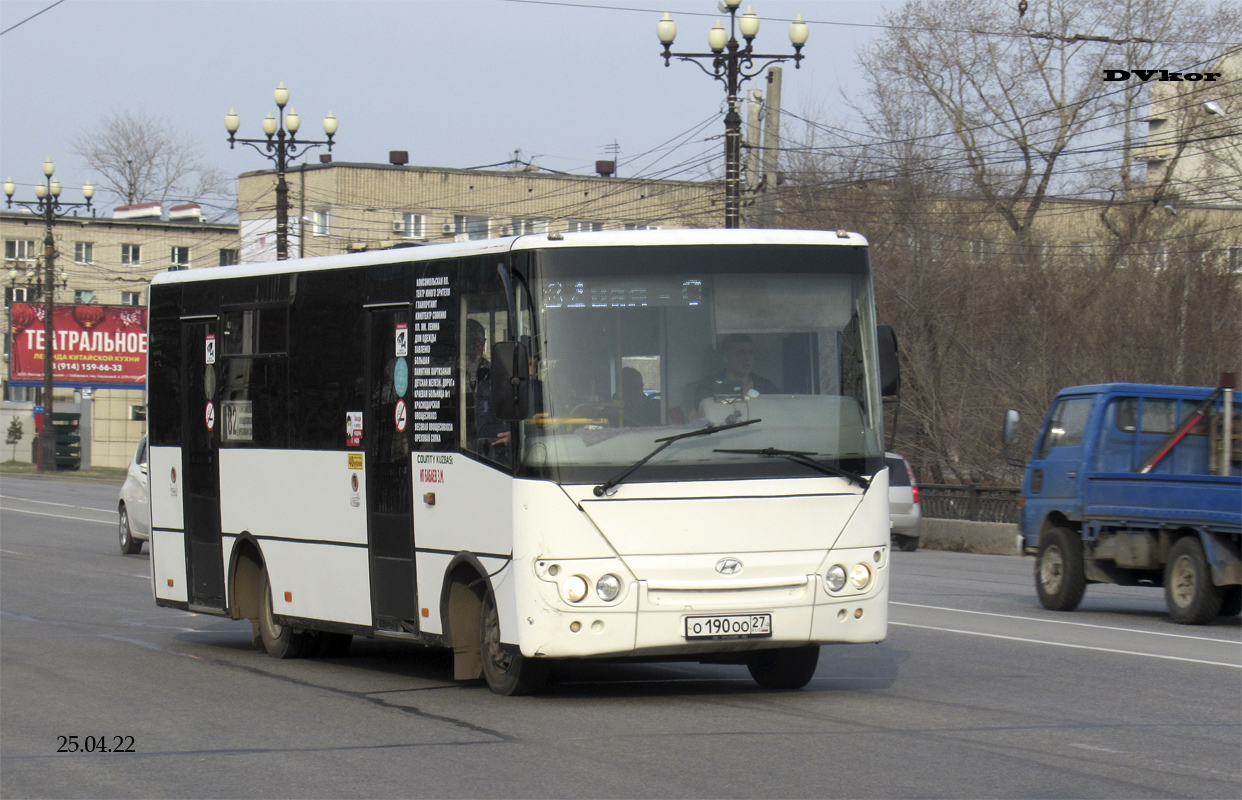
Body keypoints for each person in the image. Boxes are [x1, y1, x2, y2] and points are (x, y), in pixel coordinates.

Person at [693, 334, 779, 407]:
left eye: (750, 352)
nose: (747, 358)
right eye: (740, 353)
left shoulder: (766, 387)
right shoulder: (709, 386)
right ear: (725, 358)